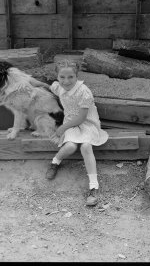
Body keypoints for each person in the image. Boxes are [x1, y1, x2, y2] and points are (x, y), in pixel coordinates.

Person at [46, 59, 109, 206]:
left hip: (87, 123)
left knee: (86, 146)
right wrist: (36, 84)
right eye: (62, 77)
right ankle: (55, 162)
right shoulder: (59, 86)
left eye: (70, 77)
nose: (66, 81)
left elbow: (81, 118)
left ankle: (93, 186)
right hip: (71, 123)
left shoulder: (84, 92)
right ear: (57, 76)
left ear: (77, 76)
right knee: (70, 147)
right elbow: (51, 86)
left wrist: (62, 128)